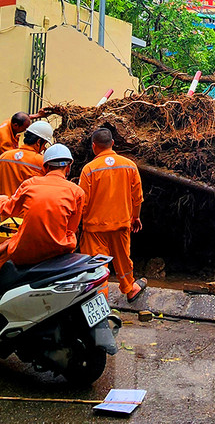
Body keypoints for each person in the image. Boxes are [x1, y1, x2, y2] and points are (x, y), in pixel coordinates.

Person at [0, 143, 86, 269]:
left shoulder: (29, 184)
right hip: (59, 252)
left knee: (15, 236)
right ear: (68, 167)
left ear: (45, 167)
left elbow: (8, 209)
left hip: (24, 254)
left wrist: (0, 199)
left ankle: (7, 245)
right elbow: (71, 229)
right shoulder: (77, 192)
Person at [78, 127, 146, 300]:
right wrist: (135, 217)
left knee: (96, 266)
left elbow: (82, 201)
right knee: (123, 260)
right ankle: (130, 289)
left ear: (94, 146)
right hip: (121, 223)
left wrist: (78, 224)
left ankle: (99, 297)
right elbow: (137, 197)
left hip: (94, 228)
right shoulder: (129, 165)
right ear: (113, 143)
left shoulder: (89, 169)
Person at [0, 120, 55, 197]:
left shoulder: (3, 157)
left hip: (4, 202)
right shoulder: (42, 161)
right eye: (44, 144)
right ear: (38, 142)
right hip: (28, 204)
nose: (44, 148)